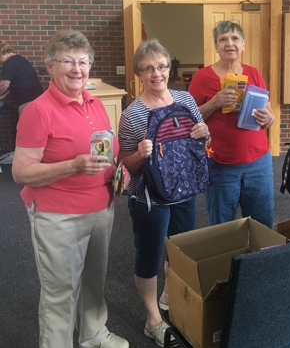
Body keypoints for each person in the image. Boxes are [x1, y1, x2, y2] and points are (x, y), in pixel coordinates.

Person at [11, 30, 128, 348]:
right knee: (60, 291)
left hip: (101, 208)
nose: (77, 69)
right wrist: (73, 166)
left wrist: (119, 170)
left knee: (93, 281)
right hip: (57, 214)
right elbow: (20, 172)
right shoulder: (39, 110)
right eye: (68, 61)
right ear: (50, 66)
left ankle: (93, 335)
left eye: (83, 61)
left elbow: (107, 152)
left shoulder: (95, 103)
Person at [117, 39, 209, 348]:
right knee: (150, 257)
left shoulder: (185, 99)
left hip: (183, 189)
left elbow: (198, 139)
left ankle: (169, 297)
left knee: (180, 252)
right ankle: (152, 319)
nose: (156, 73)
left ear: (168, 69)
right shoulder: (132, 115)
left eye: (161, 66)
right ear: (138, 74)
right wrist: (140, 153)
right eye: (148, 68)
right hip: (148, 197)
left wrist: (204, 132)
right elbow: (123, 163)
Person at [188, 20, 275, 228]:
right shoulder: (202, 77)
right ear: (216, 46)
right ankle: (227, 262)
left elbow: (270, 112)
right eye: (223, 39)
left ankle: (259, 261)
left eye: (235, 38)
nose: (230, 43)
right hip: (220, 164)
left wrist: (269, 118)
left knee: (262, 223)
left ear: (243, 45)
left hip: (258, 163)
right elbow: (188, 119)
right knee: (223, 226)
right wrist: (214, 103)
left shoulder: (253, 73)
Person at [0, 40, 44, 115]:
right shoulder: (20, 60)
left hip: (27, 102)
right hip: (38, 99)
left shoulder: (8, 63)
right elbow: (17, 85)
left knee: (26, 126)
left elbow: (4, 85)